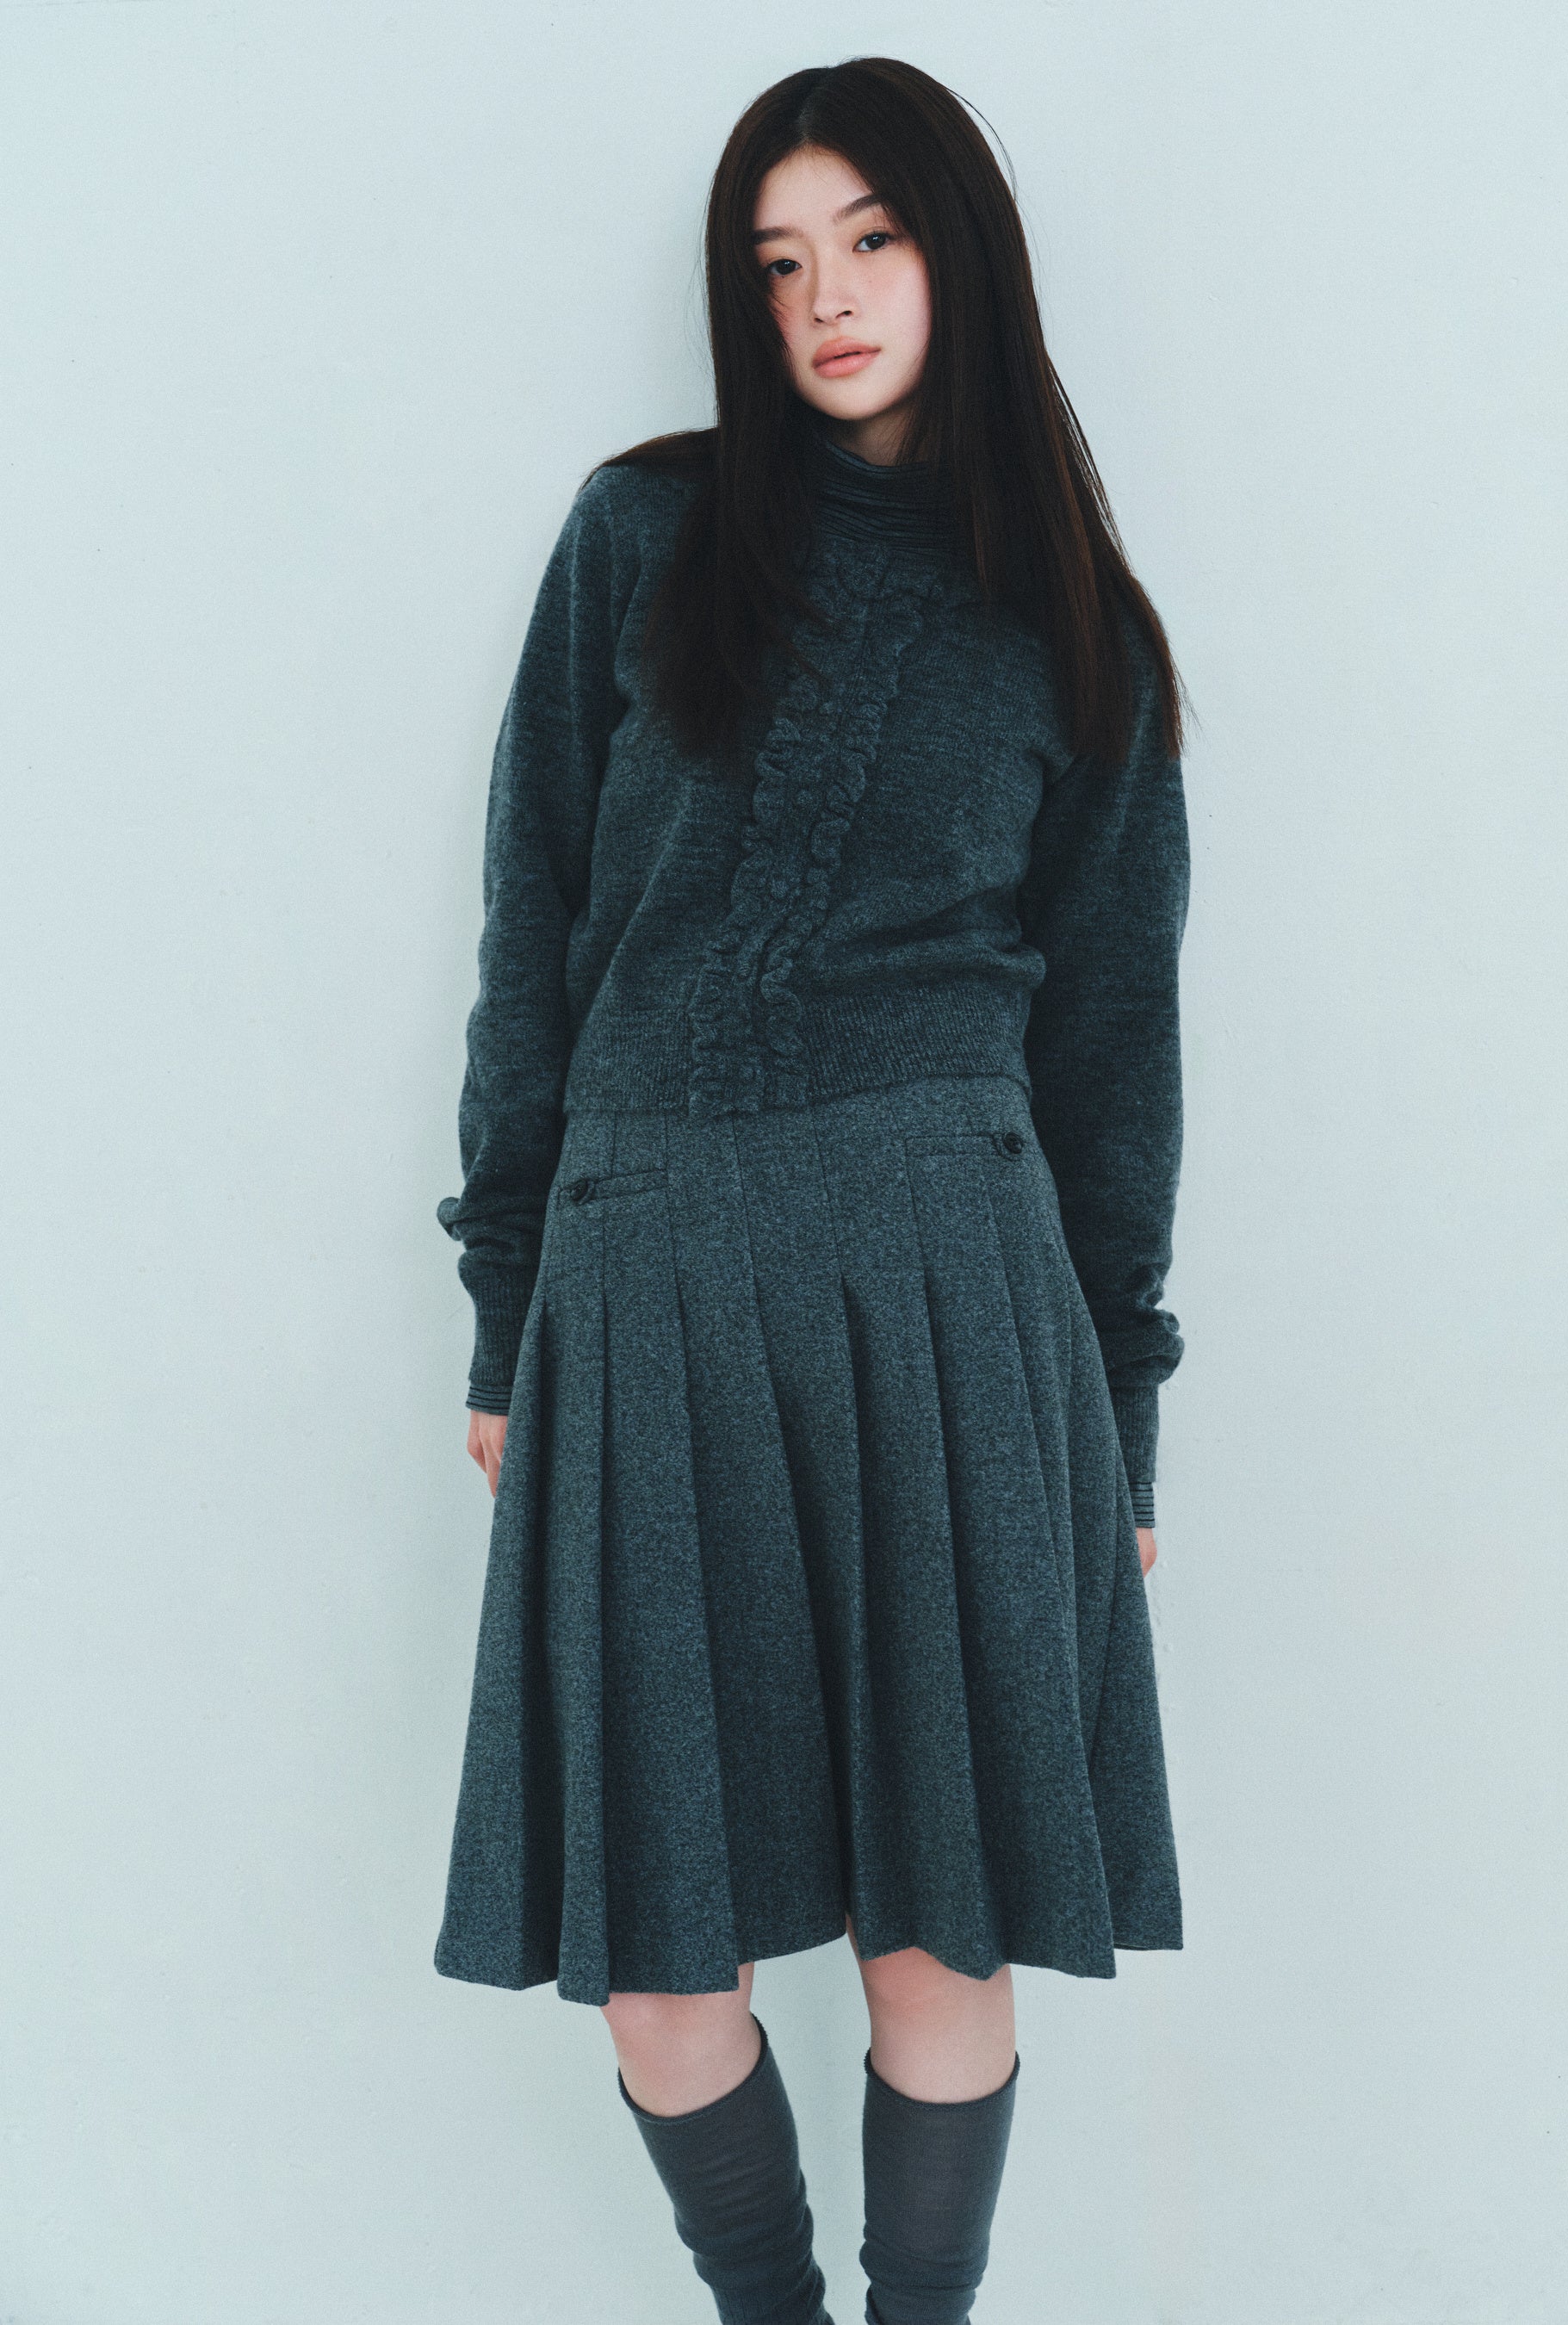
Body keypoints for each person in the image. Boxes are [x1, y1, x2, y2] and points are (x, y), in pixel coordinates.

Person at [432, 53, 1190, 2325]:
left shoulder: (1074, 620)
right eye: (775, 265)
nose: (826, 300)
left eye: (868, 240)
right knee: (661, 1963)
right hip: (647, 1277)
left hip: (953, 1284)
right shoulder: (641, 536)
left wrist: (1122, 1416)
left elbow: (1113, 1050)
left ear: (962, 256)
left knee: (935, 1924)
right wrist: (502, 1308)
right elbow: (536, 935)